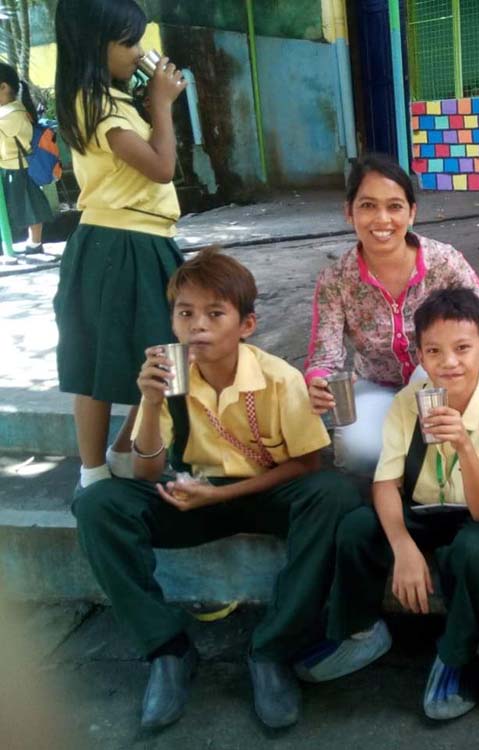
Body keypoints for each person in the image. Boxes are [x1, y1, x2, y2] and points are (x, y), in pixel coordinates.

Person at [71, 249, 363, 730]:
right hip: (193, 493)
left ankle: (272, 651)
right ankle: (167, 650)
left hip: (266, 494)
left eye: (214, 314)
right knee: (99, 503)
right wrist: (147, 402)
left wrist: (225, 495)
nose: (197, 327)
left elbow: (308, 463)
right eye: (185, 314)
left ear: (246, 324)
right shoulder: (169, 378)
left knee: (333, 495)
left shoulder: (278, 379)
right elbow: (147, 473)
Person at [314, 288, 479, 721]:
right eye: (435, 351)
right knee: (355, 528)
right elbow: (386, 482)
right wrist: (403, 546)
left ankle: (458, 655)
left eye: (463, 349)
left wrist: (463, 443)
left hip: (472, 514)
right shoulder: (411, 400)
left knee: (475, 552)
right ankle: (361, 631)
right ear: (421, 358)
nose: (449, 362)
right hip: (422, 508)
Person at [305, 153, 479, 475]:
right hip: (378, 387)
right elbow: (325, 356)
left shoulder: (443, 261)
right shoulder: (336, 279)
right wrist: (318, 384)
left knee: (442, 415)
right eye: (368, 205)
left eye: (395, 206)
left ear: (412, 212)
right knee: (362, 449)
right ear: (349, 212)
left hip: (444, 376)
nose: (382, 219)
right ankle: (390, 504)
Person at [53, 0, 188, 491]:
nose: (139, 51)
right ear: (93, 45)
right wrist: (162, 105)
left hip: (151, 238)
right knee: (96, 357)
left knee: (162, 353)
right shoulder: (94, 103)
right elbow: (161, 166)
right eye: (127, 42)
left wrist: (155, 102)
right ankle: (92, 473)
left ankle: (127, 447)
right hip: (115, 240)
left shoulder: (116, 98)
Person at [0, 62, 53, 255]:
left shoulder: (12, 114)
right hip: (9, 168)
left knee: (31, 208)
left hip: (19, 170)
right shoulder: (10, 111)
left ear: (4, 87)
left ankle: (34, 243)